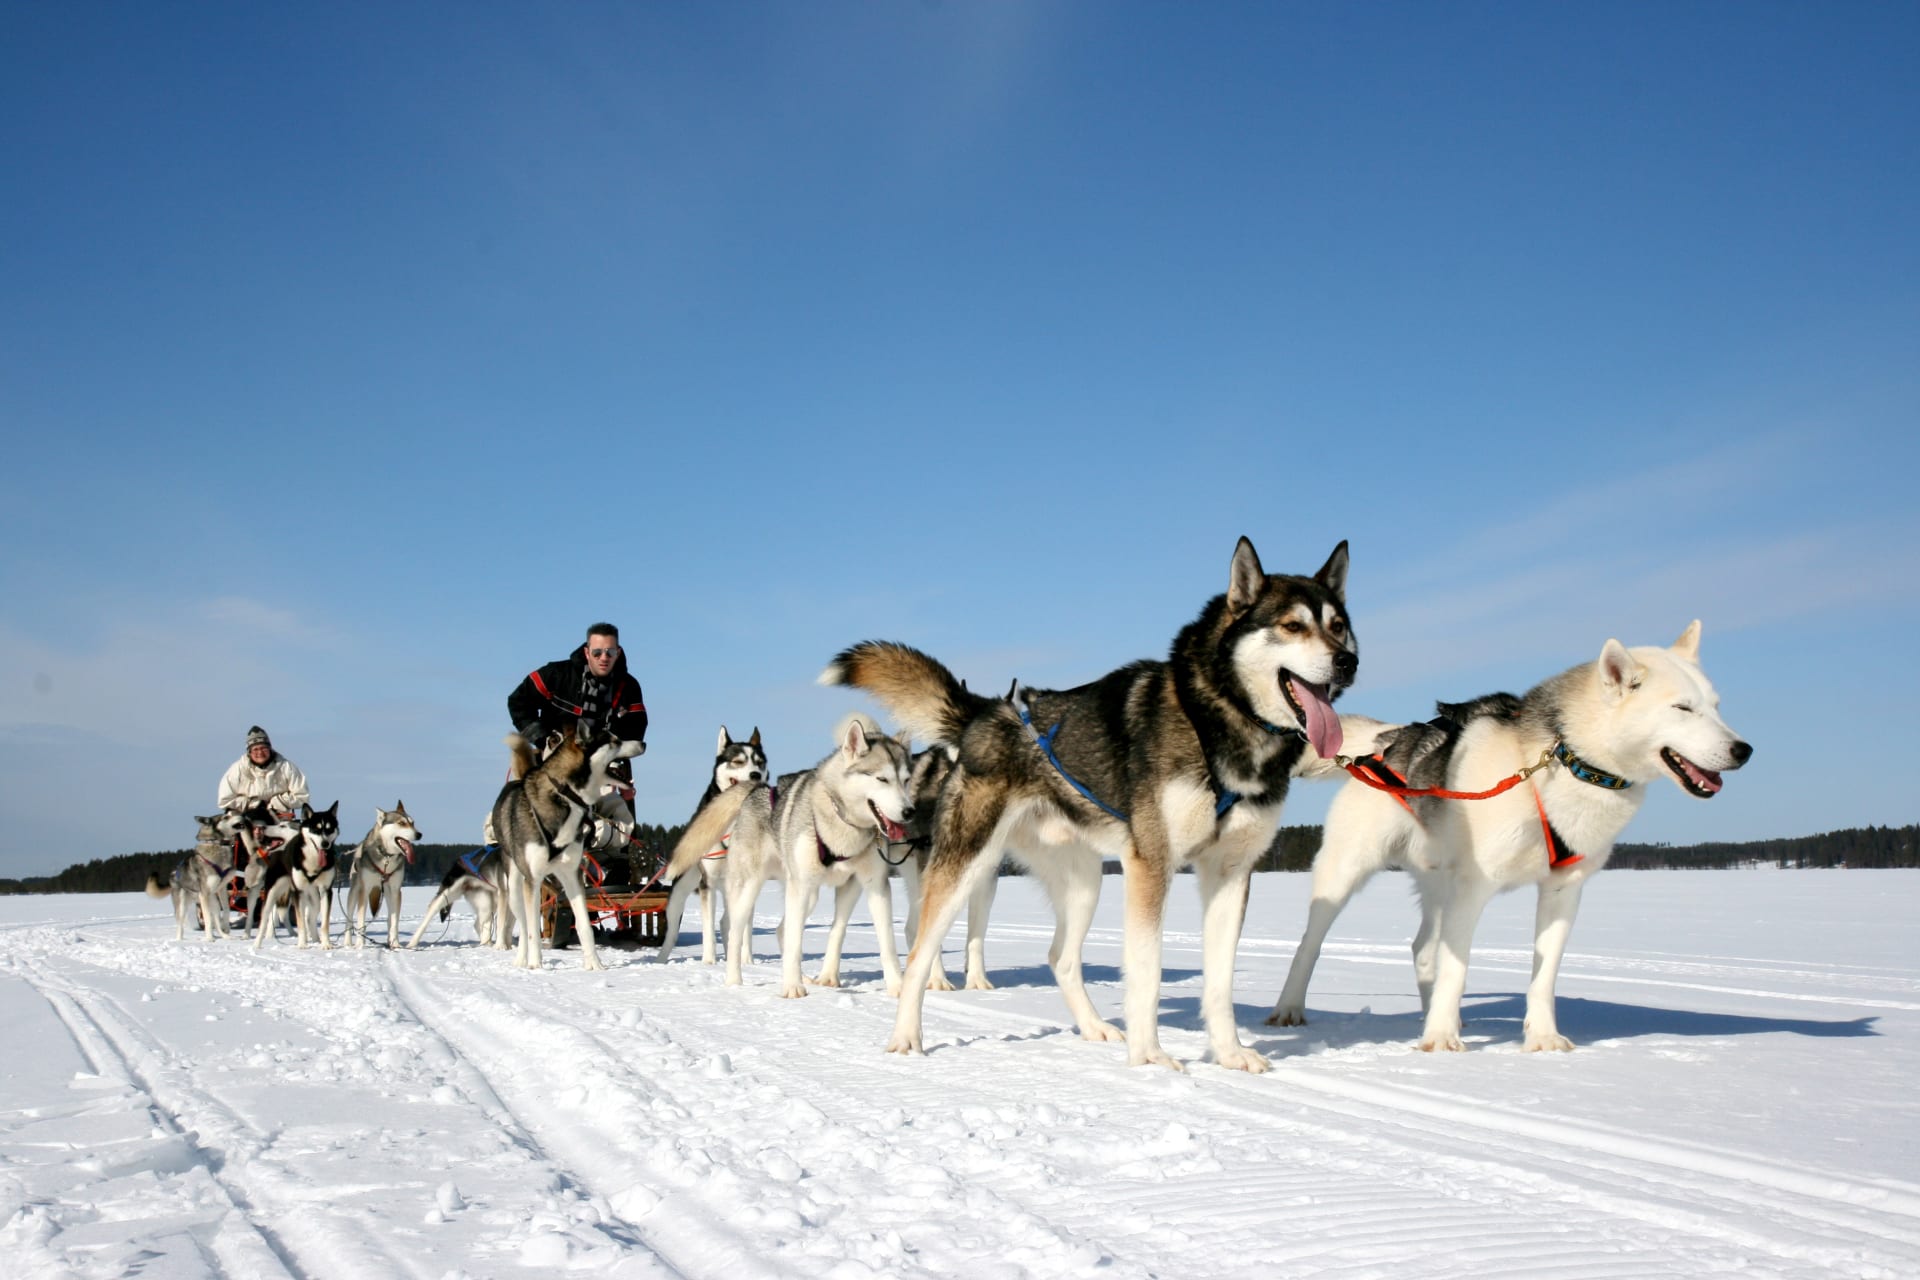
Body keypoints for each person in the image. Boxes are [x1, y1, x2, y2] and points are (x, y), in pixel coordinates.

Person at [507, 622, 649, 747]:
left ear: (617, 653)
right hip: (557, 754)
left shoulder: (629, 687)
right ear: (587, 652)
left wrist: (614, 750)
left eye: (610, 652)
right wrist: (543, 739)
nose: (604, 658)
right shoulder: (556, 674)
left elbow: (636, 729)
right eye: (597, 652)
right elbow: (518, 702)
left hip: (603, 758)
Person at [218, 726, 310, 817]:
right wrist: (253, 804)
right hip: (245, 819)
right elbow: (225, 801)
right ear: (249, 752)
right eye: (255, 749)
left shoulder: (286, 767)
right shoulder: (237, 770)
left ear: (269, 749)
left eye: (263, 748)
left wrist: (277, 802)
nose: (260, 753)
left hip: (279, 818)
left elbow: (302, 796)